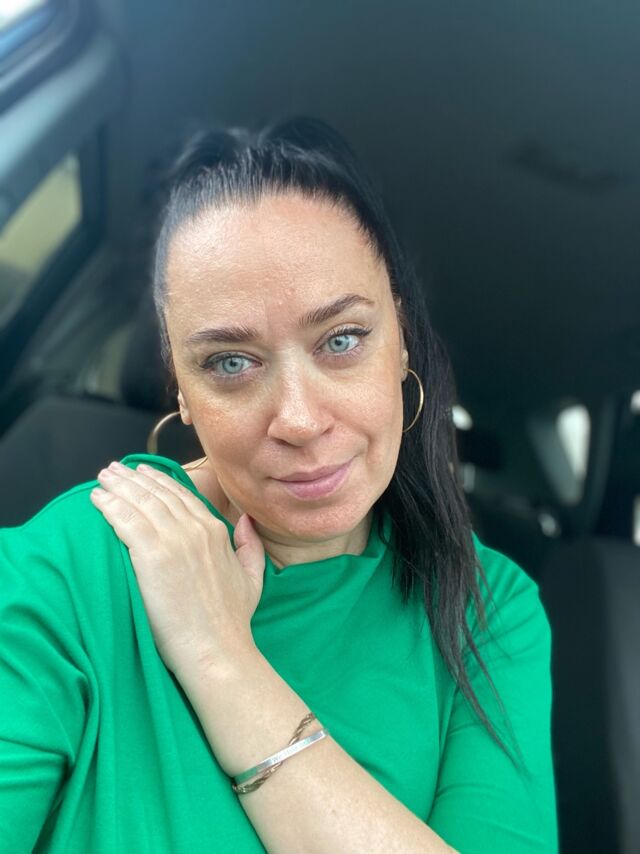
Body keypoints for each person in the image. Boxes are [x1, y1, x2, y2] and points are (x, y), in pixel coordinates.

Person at [0, 117, 558, 853]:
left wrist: (220, 658)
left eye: (342, 340)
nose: (298, 419)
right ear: (181, 388)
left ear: (401, 341)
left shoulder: (488, 608)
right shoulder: (66, 571)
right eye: (231, 362)